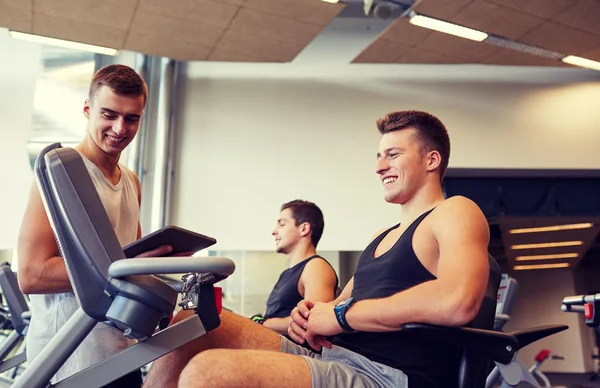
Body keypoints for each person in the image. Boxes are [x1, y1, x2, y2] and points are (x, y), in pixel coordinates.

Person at [142, 110, 490, 388]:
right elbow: (339, 306)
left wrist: (340, 317)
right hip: (337, 356)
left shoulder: (455, 211)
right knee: (191, 324)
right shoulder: (381, 235)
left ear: (431, 160)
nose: (379, 166)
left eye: (393, 155)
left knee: (208, 372)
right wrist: (311, 315)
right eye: (379, 156)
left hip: (385, 375)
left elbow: (457, 301)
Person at [16, 64, 172, 387]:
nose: (120, 128)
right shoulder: (60, 174)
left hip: (121, 352)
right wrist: (124, 267)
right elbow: (31, 274)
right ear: (87, 110)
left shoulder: (131, 182)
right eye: (109, 114)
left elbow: (131, 264)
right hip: (67, 359)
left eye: (132, 118)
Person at [250, 200, 338, 337]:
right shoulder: (287, 273)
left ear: (304, 229)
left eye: (282, 224)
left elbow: (314, 321)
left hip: (296, 353)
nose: (274, 231)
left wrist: (262, 323)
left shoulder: (316, 267)